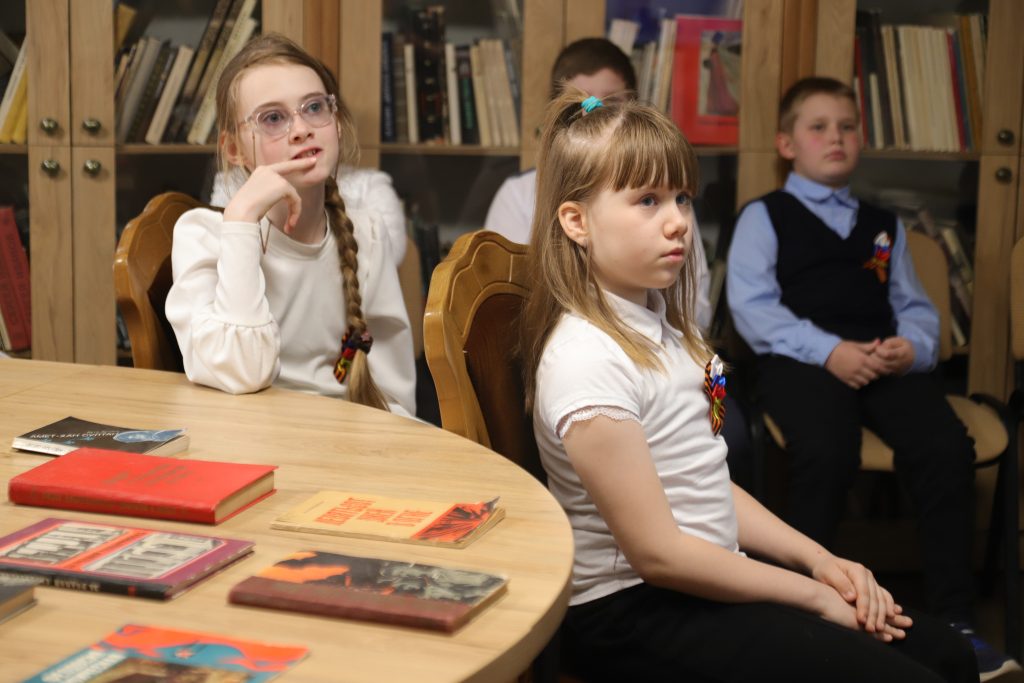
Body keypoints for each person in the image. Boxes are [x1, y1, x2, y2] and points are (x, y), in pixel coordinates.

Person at [520, 87, 977, 682]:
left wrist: (820, 561)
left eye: (682, 197)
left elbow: (706, 477)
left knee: (948, 654)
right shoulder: (586, 359)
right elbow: (658, 556)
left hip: (700, 581)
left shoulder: (668, 329)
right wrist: (813, 597)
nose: (678, 221)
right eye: (647, 200)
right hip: (632, 611)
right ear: (576, 221)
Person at [727, 76, 1017, 681]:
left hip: (883, 361)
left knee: (944, 448)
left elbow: (913, 306)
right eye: (818, 127)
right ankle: (809, 610)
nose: (836, 137)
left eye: (847, 127)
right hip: (802, 362)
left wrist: (912, 348)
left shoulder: (884, 227)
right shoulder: (765, 216)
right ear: (787, 145)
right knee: (826, 451)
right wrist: (830, 351)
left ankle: (957, 621)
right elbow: (753, 308)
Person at [166, 33, 416, 417]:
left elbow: (394, 398)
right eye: (273, 118)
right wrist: (242, 219)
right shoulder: (201, 235)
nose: (301, 129)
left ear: (336, 122)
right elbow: (242, 372)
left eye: (314, 107)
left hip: (342, 442)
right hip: (242, 441)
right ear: (233, 149)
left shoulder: (366, 232)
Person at [484, 37, 713, 331]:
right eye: (586, 104)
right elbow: (507, 308)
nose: (598, 115)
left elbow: (694, 306)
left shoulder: (670, 206)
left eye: (611, 103)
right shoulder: (517, 194)